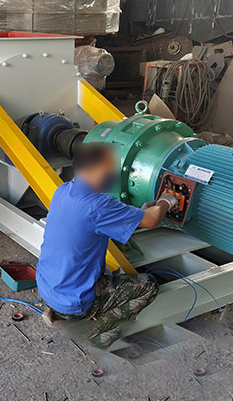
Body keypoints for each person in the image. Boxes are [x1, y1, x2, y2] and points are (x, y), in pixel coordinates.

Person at [36, 142, 179, 349]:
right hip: (74, 300)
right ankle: (99, 334)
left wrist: (136, 214)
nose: (113, 175)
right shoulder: (99, 205)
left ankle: (58, 310)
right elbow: (152, 220)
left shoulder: (63, 190)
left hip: (48, 287)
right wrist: (166, 202)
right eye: (108, 169)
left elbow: (95, 222)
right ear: (91, 171)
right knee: (148, 285)